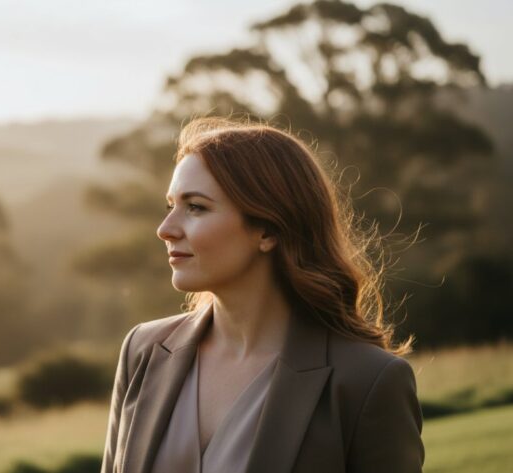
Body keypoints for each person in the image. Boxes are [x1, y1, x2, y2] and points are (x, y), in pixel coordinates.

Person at [100, 118, 424, 473]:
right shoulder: (143, 352)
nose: (165, 229)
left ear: (268, 230)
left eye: (195, 207)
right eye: (170, 206)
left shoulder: (367, 381)